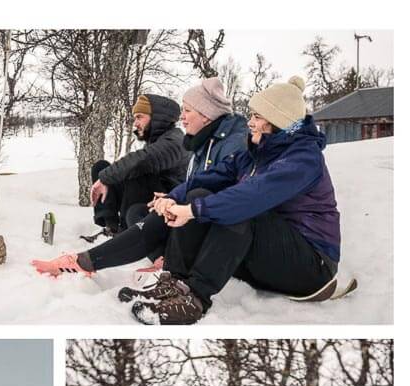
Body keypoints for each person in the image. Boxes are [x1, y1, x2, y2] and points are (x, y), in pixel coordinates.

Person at [131, 76, 340, 324]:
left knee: (239, 208)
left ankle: (195, 299)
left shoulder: (303, 159)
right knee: (198, 194)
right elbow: (209, 177)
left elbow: (251, 196)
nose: (249, 122)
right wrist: (173, 197)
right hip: (268, 257)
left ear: (278, 122)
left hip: (311, 266)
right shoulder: (255, 153)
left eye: (257, 117)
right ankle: (175, 283)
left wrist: (192, 211)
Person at [33, 78, 248, 282]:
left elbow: (144, 161)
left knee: (136, 176)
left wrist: (173, 199)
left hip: (205, 223)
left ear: (206, 115)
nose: (183, 117)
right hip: (185, 209)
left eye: (188, 111)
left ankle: (94, 258)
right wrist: (171, 197)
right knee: (126, 197)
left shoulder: (178, 140)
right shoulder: (202, 144)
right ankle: (97, 247)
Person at [86, 94, 188, 237]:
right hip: (149, 197)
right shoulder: (157, 140)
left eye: (139, 117)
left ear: (157, 118)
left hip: (168, 203)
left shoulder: (175, 141)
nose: (135, 123)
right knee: (101, 167)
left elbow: (142, 160)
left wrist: (105, 178)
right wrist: (104, 176)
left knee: (136, 172)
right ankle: (112, 227)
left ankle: (126, 233)